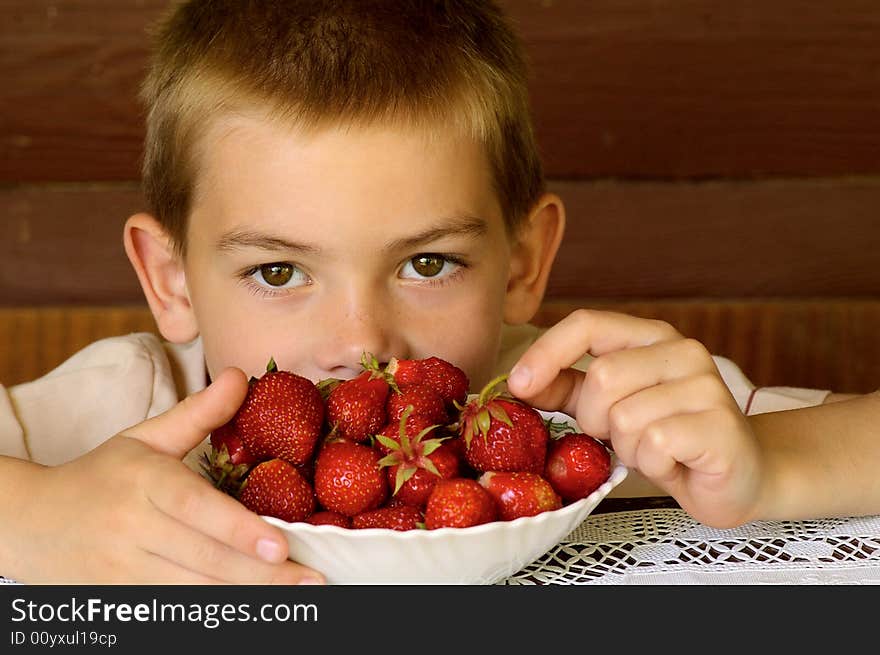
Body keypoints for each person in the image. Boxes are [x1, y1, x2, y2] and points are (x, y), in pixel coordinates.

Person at [0, 0, 874, 585]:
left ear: (524, 261)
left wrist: (771, 468)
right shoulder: (123, 405)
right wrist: (35, 513)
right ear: (171, 279)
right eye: (278, 271)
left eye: (427, 264)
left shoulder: (582, 410)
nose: (362, 340)